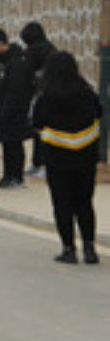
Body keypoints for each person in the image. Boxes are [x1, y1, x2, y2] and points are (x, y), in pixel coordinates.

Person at [32, 51, 101, 264]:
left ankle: (68, 249)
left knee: (62, 203)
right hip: (85, 157)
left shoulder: (45, 97)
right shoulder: (88, 93)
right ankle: (89, 248)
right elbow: (99, 113)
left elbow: (36, 123)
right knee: (84, 202)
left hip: (57, 157)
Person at [0, 28, 34, 188]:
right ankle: (9, 175)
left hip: (15, 109)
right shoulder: (4, 61)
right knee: (7, 144)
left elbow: (17, 89)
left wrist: (8, 109)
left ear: (0, 43)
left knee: (14, 143)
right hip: (6, 106)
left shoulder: (16, 63)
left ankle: (15, 176)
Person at [21, 21, 56, 178]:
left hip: (39, 95)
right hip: (49, 93)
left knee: (39, 130)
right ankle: (38, 163)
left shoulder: (33, 51)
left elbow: (28, 72)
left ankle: (41, 163)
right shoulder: (49, 47)